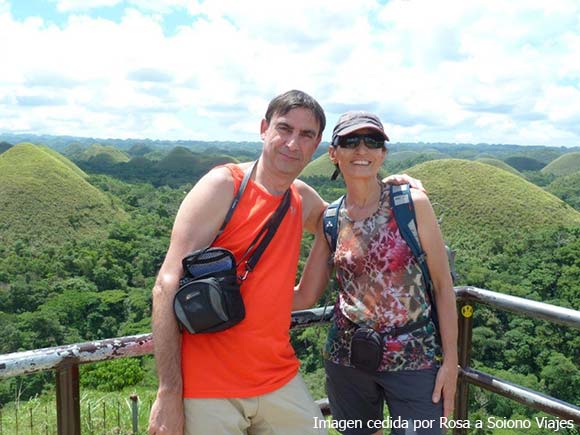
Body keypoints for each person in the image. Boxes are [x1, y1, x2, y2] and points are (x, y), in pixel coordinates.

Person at [148, 91, 423, 435]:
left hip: (277, 377)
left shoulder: (303, 199)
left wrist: (393, 190)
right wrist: (169, 393)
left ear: (319, 146)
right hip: (208, 386)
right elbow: (165, 285)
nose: (293, 143)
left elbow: (349, 219)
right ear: (264, 128)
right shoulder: (224, 186)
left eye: (306, 135)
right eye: (284, 129)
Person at [293, 111, 458, 435]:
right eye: (350, 141)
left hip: (413, 358)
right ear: (333, 153)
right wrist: (236, 299)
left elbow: (442, 285)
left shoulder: (412, 204)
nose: (362, 150)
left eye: (373, 142)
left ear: (383, 153)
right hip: (347, 359)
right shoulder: (331, 218)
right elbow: (303, 296)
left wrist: (450, 361)